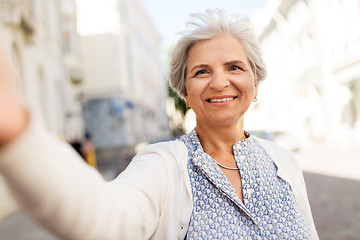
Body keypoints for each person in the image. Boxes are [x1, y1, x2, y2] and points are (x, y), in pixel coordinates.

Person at [0, 9, 318, 239]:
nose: (220, 82)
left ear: (255, 83)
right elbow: (103, 219)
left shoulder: (284, 161)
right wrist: (17, 132)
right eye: (202, 72)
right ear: (185, 95)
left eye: (234, 67)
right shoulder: (163, 166)